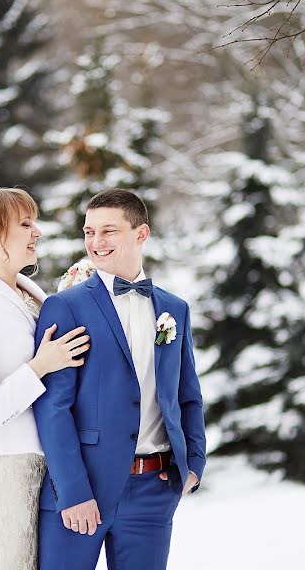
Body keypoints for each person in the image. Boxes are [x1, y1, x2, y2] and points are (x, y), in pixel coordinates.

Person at [33, 188, 207, 570]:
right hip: (82, 490)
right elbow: (53, 407)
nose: (96, 242)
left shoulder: (173, 309)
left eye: (108, 231)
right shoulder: (65, 305)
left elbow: (187, 394)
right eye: (89, 231)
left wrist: (193, 462)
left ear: (140, 234)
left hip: (155, 490)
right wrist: (74, 491)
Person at [0, 186, 91, 570]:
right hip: (7, 468)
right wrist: (39, 366)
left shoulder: (27, 292)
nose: (37, 232)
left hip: (48, 462)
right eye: (25, 224)